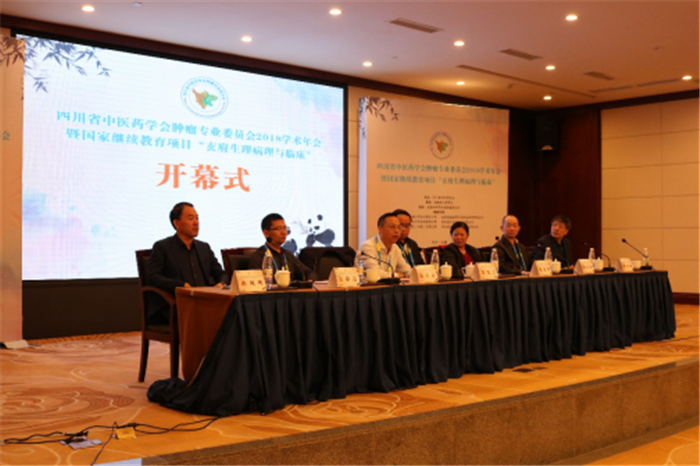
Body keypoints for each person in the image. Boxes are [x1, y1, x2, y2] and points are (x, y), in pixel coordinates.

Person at [147, 202, 228, 324]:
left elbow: (221, 273)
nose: (196, 223)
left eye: (197, 218)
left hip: (203, 301)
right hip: (175, 304)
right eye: (190, 218)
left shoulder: (204, 248)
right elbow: (152, 277)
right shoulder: (163, 247)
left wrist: (221, 283)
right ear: (176, 223)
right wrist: (180, 285)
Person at [248, 213, 317, 282]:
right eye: (278, 229)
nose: (284, 232)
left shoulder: (287, 255)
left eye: (285, 228)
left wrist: (310, 280)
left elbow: (309, 273)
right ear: (266, 233)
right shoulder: (258, 257)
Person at [359, 212, 412, 278]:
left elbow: (406, 270)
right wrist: (397, 275)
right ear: (380, 229)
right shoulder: (368, 246)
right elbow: (374, 273)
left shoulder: (395, 248)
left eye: (399, 227)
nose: (397, 231)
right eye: (392, 227)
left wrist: (417, 274)